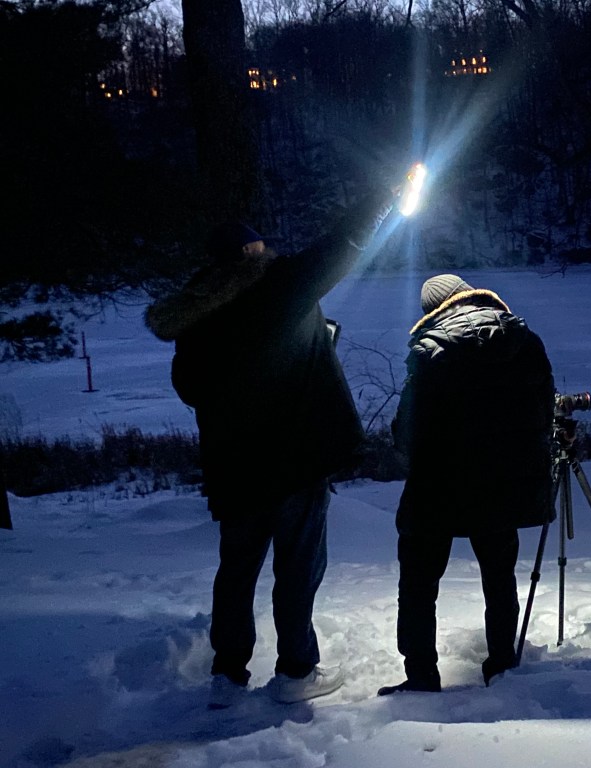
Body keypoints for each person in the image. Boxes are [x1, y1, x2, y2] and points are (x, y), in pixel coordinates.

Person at [145, 183, 399, 708]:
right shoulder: (277, 287)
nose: (268, 252)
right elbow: (342, 244)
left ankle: (227, 676)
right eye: (260, 247)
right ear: (250, 252)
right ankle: (295, 672)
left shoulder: (196, 318)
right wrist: (384, 196)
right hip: (293, 462)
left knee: (236, 572)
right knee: (298, 569)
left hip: (234, 470)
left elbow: (189, 388)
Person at [377, 274, 555, 695]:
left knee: (418, 584)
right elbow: (543, 410)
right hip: (503, 484)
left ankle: (421, 674)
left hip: (437, 486)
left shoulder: (430, 351)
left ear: (433, 310)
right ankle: (502, 666)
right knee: (499, 578)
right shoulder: (524, 341)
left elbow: (408, 431)